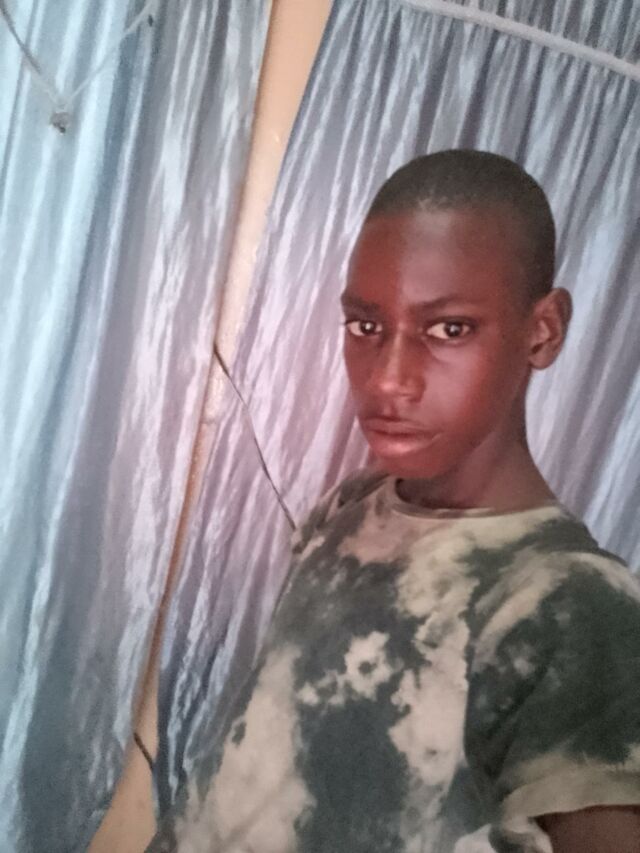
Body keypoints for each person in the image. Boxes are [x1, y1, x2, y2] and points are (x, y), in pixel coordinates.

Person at [170, 151, 640, 852]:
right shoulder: (351, 503)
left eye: (449, 329)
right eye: (366, 326)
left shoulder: (574, 606)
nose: (388, 380)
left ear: (542, 330)